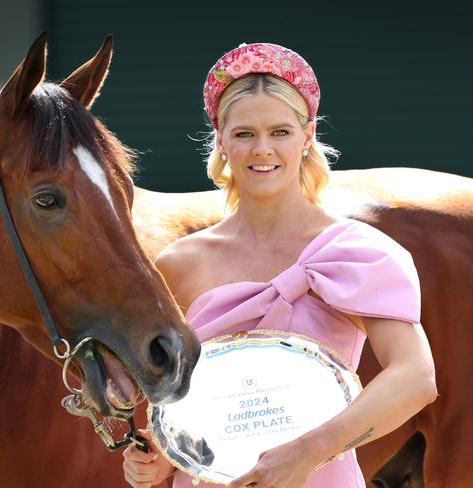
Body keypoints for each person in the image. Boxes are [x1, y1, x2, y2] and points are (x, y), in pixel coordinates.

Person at [122, 42, 437, 488]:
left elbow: (416, 378)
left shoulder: (360, 252)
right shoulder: (178, 265)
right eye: (245, 133)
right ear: (221, 139)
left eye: (281, 132)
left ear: (307, 136)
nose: (262, 150)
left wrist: (307, 453)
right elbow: (176, 407)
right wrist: (160, 461)